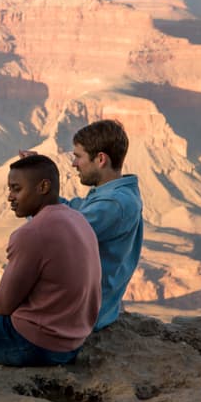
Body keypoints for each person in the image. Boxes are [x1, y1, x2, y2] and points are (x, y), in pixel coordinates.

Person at [0, 155, 101, 366]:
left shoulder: (32, 233)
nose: (10, 197)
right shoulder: (78, 219)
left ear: (43, 187)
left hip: (35, 345)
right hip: (73, 341)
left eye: (16, 189)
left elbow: (1, 304)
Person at [66, 119, 143, 330]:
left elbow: (59, 232)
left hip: (80, 316)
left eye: (78, 156)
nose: (74, 164)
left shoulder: (113, 204)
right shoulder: (112, 195)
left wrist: (33, 192)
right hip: (90, 310)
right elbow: (69, 210)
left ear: (100, 159)